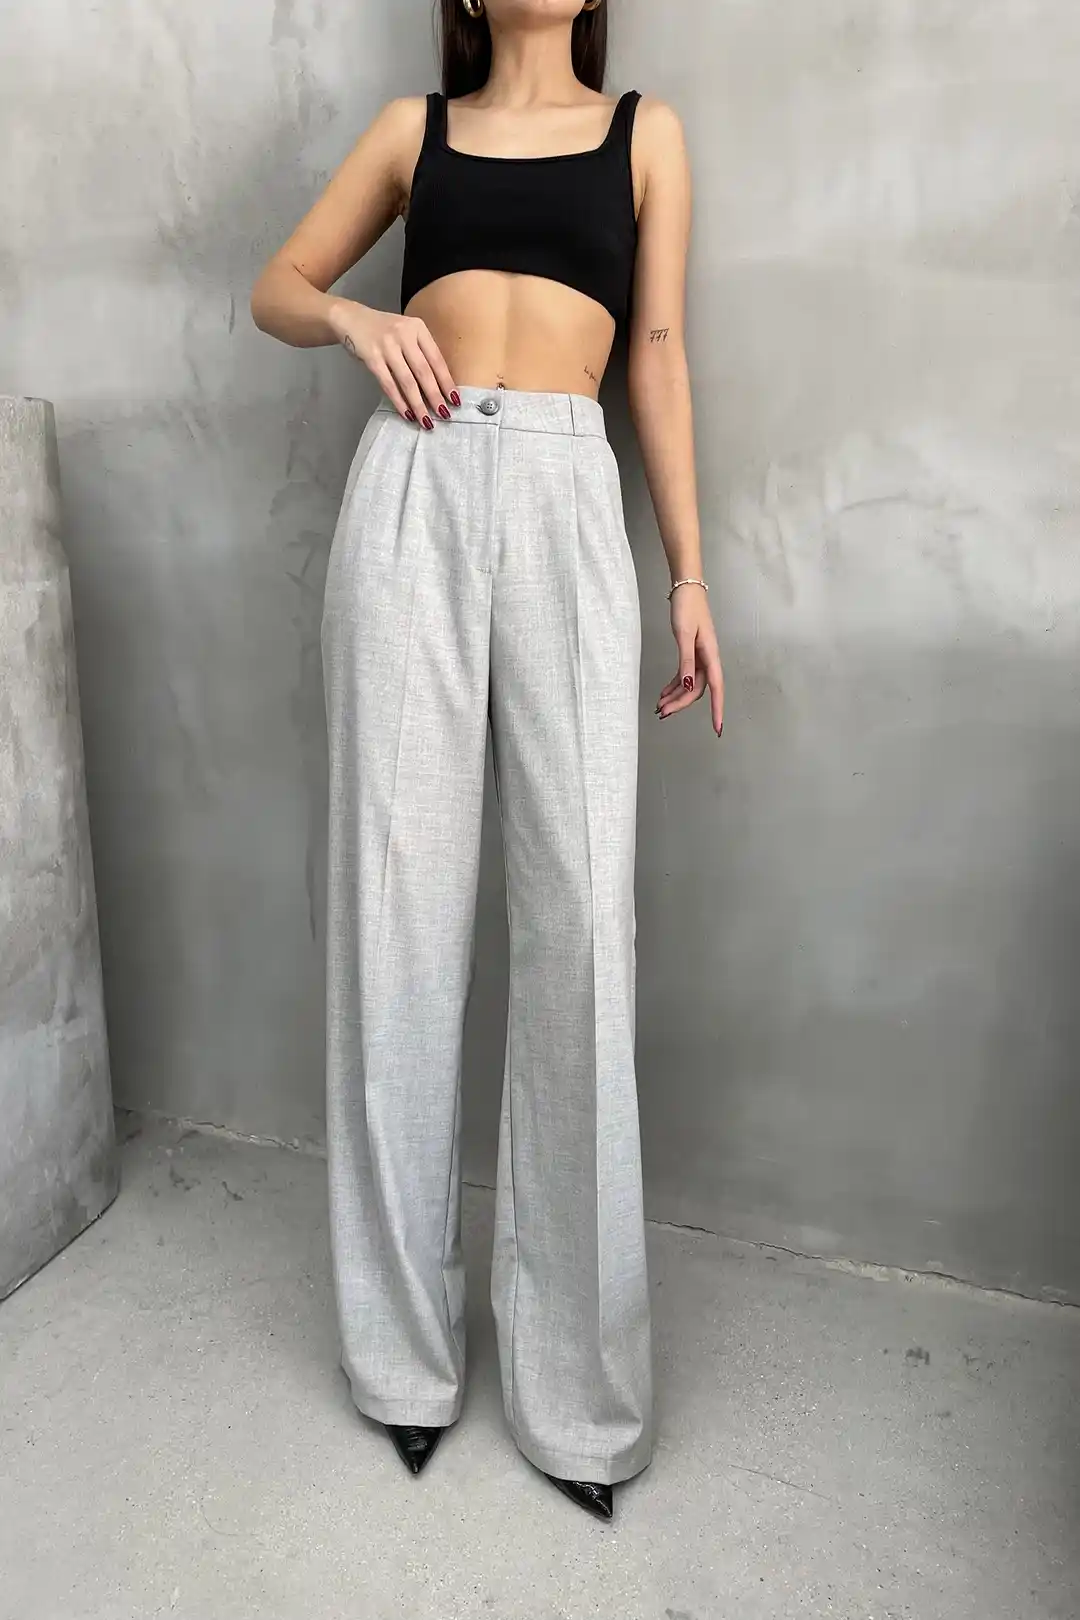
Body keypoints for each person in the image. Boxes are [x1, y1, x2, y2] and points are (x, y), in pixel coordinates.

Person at [251, 0, 724, 1524]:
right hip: (416, 487)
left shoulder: (646, 136)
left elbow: (657, 353)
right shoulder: (417, 133)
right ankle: (401, 1363)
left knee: (582, 930)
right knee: (395, 915)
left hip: (571, 500)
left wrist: (690, 574)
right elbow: (276, 285)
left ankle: (577, 1391)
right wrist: (359, 323)